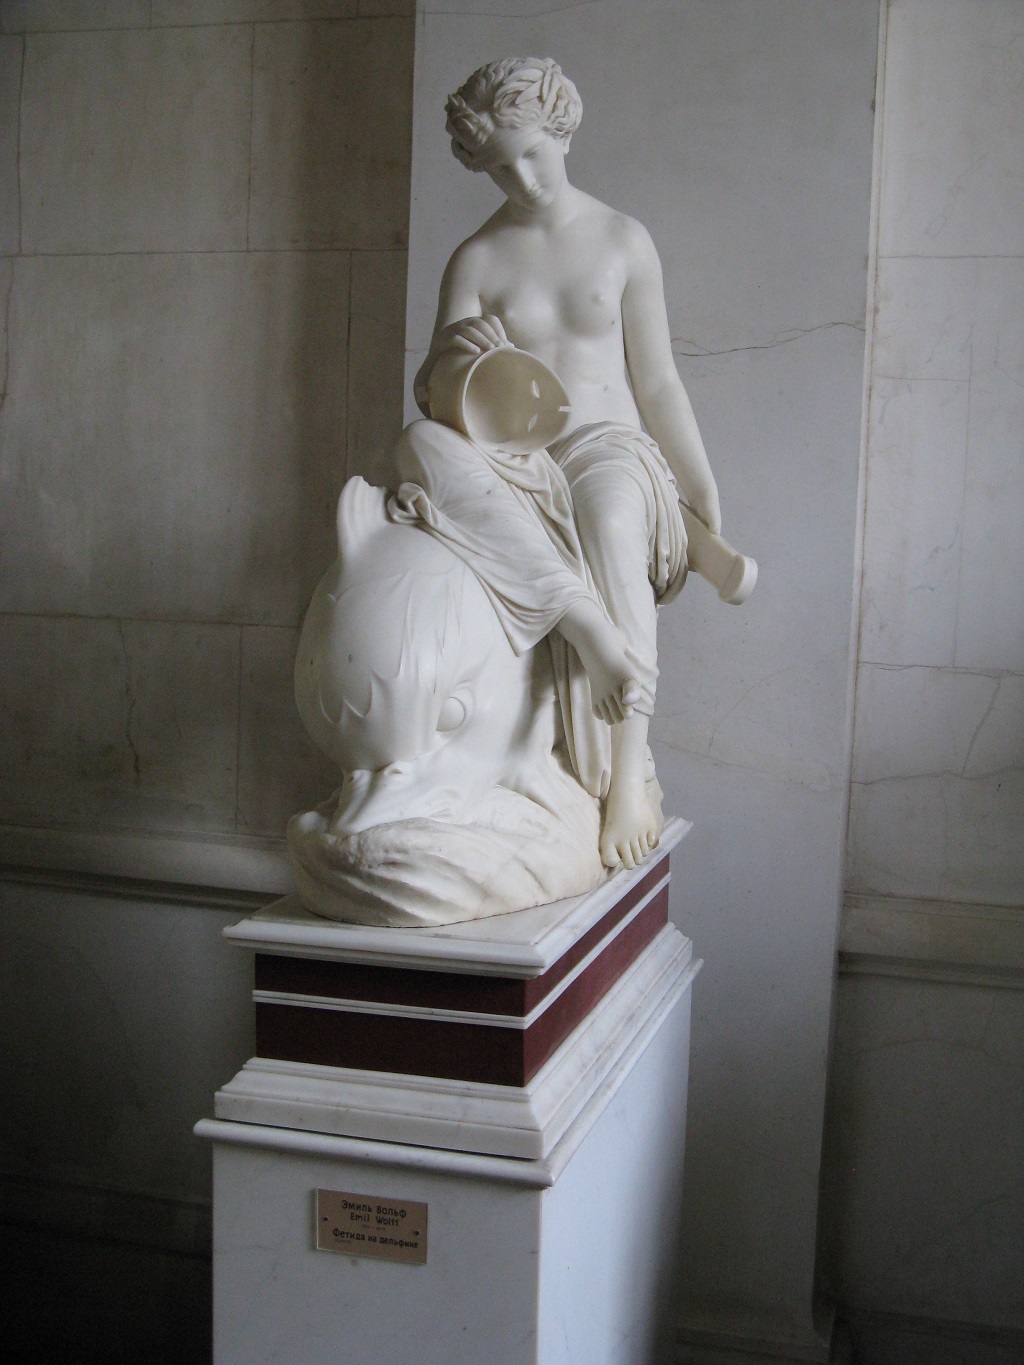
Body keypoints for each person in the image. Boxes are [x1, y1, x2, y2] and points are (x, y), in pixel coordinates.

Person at [410, 57, 722, 871]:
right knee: (419, 460)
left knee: (610, 517)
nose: (521, 179)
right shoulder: (476, 260)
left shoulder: (621, 240)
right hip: (517, 462)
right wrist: (457, 354)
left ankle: (627, 771)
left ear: (561, 131)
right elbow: (433, 390)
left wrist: (699, 484)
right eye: (498, 166)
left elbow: (658, 381)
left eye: (532, 154)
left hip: (608, 448)